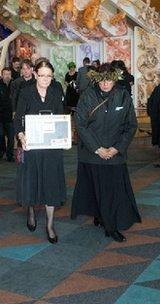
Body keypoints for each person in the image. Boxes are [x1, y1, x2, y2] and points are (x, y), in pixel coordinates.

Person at [71, 63, 141, 242]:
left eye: (109, 80)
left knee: (113, 191)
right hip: (92, 154)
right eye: (102, 81)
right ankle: (101, 216)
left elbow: (131, 125)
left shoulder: (123, 95)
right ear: (96, 79)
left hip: (115, 154)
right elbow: (81, 124)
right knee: (95, 188)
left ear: (114, 79)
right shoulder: (87, 95)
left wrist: (116, 148)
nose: (105, 84)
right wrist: (98, 148)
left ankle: (111, 225)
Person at [14, 60, 66, 244]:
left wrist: (64, 136)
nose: (45, 79)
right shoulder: (26, 92)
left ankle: (50, 225)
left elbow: (61, 118)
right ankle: (30, 211)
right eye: (42, 75)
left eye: (49, 76)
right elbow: (18, 118)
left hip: (51, 148)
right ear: (35, 74)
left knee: (51, 184)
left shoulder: (56, 91)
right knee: (31, 182)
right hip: (31, 147)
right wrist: (21, 135)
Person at [0, 67, 14, 161]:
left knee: (11, 137)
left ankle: (9, 155)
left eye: (9, 74)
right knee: (0, 135)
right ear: (2, 75)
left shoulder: (14, 85)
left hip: (11, 116)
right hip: (0, 116)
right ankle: (2, 152)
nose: (7, 76)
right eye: (5, 74)